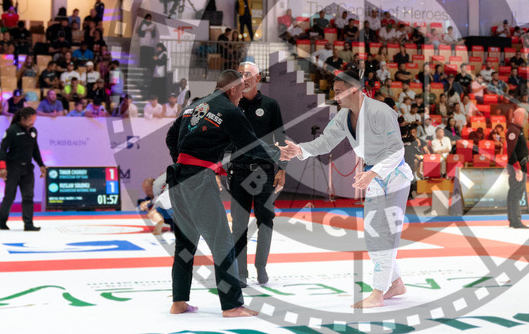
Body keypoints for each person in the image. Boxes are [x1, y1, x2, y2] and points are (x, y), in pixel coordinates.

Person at [280, 70, 413, 308]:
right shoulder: (343, 117)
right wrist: (300, 150)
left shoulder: (381, 112)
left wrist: (374, 172)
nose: (335, 95)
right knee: (373, 235)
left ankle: (378, 292)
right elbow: (324, 142)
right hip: (371, 176)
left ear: (353, 89)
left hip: (393, 177)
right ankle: (396, 283)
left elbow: (397, 150)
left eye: (338, 91)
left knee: (385, 235)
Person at [164, 69, 278, 318]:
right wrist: (280, 155)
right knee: (222, 242)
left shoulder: (193, 106)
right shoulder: (229, 110)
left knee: (185, 241)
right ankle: (232, 305)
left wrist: (185, 162)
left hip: (178, 177)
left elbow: (171, 137)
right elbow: (249, 147)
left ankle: (179, 301)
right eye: (241, 92)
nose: (241, 97)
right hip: (198, 180)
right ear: (233, 90)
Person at [228, 61, 286, 286]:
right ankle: (240, 272)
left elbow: (280, 138)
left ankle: (261, 266)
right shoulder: (232, 105)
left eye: (248, 74)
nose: (244, 77)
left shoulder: (271, 105)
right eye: (240, 74)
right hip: (238, 172)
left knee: (266, 221)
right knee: (239, 225)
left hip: (264, 172)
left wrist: (282, 169)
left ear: (258, 78)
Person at [0, 107, 46, 231]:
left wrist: (41, 165)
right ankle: (2, 222)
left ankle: (28, 224)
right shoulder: (11, 131)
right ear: (23, 119)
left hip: (27, 169)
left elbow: (35, 149)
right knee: (9, 197)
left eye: (34, 120)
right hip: (13, 168)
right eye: (31, 120)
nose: (33, 123)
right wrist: (2, 168)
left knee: (28, 196)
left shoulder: (33, 131)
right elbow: (3, 150)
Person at [505, 107, 529, 229]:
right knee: (516, 194)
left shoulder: (516, 129)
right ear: (519, 117)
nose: (526, 121)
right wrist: (517, 168)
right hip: (517, 166)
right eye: (525, 118)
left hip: (518, 165)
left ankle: (513, 220)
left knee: (513, 193)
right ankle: (516, 221)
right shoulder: (513, 130)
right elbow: (511, 150)